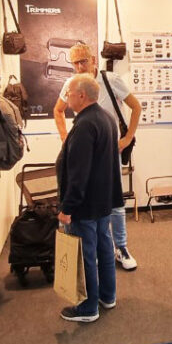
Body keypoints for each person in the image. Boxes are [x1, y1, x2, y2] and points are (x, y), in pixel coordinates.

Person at [53, 43, 141, 271]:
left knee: (115, 201)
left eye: (83, 61)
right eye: (75, 63)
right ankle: (99, 249)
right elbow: (58, 110)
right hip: (85, 149)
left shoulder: (111, 80)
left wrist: (128, 138)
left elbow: (136, 107)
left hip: (109, 151)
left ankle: (121, 247)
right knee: (87, 197)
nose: (79, 67)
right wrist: (65, 139)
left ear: (93, 60)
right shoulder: (71, 84)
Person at [56, 75, 125, 323]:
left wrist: (67, 207)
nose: (67, 97)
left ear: (82, 95)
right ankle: (107, 296)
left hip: (85, 204)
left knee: (86, 254)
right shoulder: (106, 118)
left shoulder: (85, 125)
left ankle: (88, 308)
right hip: (103, 201)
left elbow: (78, 173)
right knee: (104, 248)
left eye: (70, 93)